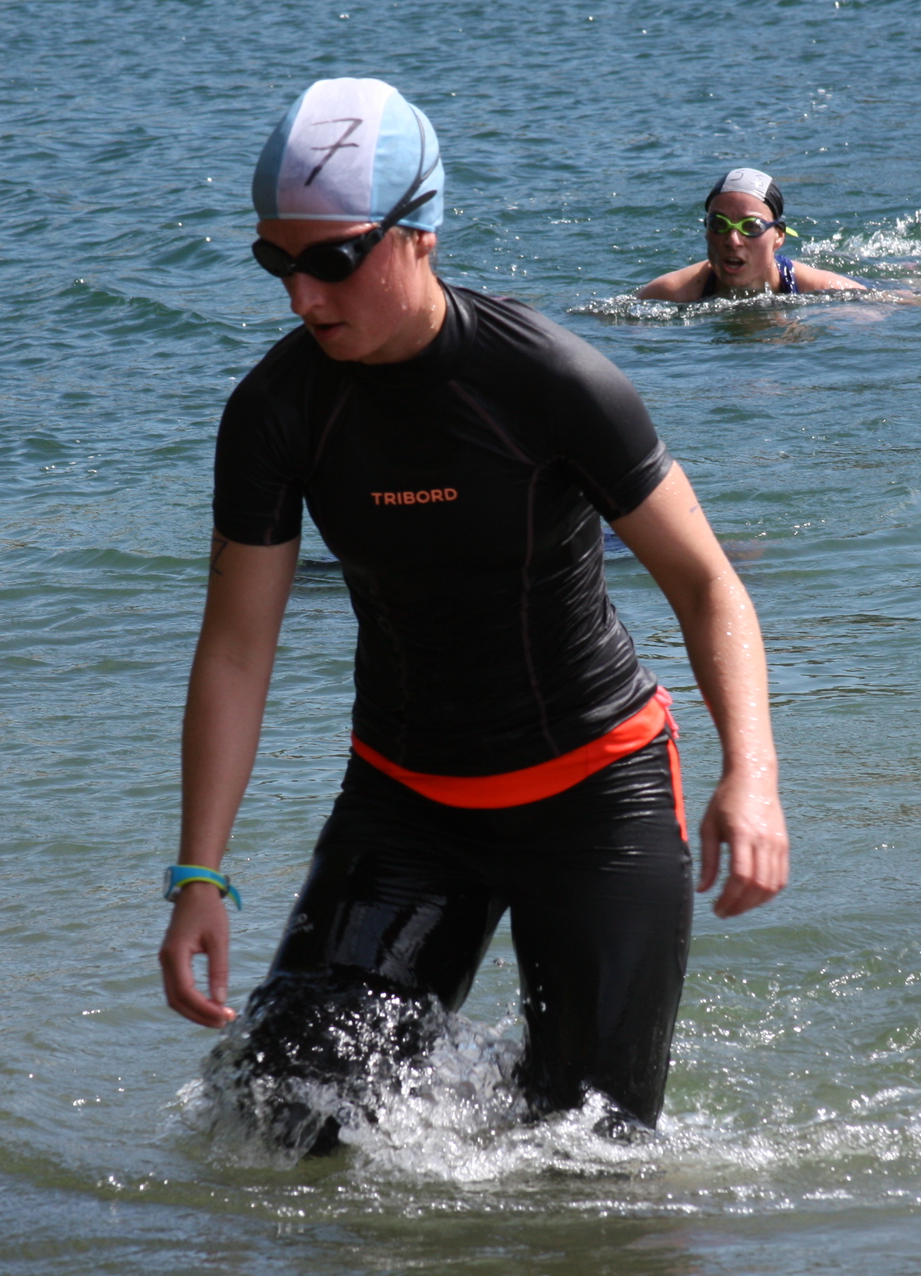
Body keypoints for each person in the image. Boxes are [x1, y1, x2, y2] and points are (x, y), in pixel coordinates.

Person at [157, 78, 790, 1154]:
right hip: (405, 806)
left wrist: (753, 776)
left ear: (421, 230)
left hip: (596, 800)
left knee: (588, 1156)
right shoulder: (276, 410)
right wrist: (199, 875)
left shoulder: (548, 380)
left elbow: (707, 583)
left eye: (331, 259)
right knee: (281, 1112)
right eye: (276, 261)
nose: (301, 296)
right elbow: (235, 649)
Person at [636, 168, 866, 301]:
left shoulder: (831, 292)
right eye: (718, 224)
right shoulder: (666, 293)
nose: (732, 240)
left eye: (751, 227)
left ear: (778, 236)